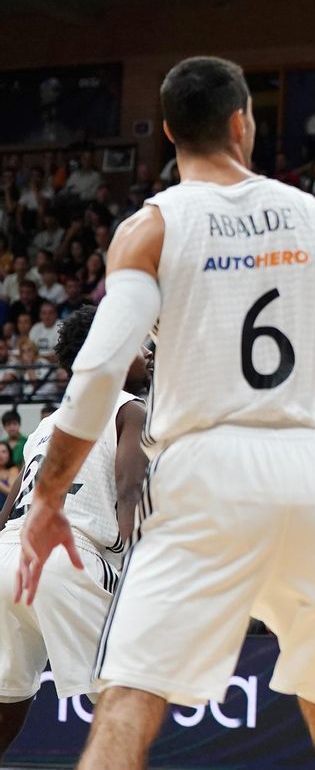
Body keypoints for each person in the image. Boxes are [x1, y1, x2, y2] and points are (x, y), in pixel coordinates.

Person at [15, 57, 315, 769]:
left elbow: (100, 371)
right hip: (314, 465)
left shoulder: (151, 228)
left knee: (128, 701)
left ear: (169, 130)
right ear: (245, 122)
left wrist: (48, 497)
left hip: (206, 467)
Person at [0, 308, 148, 758]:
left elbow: (10, 509)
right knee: (126, 696)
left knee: (7, 695)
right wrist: (136, 560)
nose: (148, 353)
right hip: (70, 555)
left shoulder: (48, 423)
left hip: (8, 555)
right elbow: (129, 486)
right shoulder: (129, 408)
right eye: (141, 346)